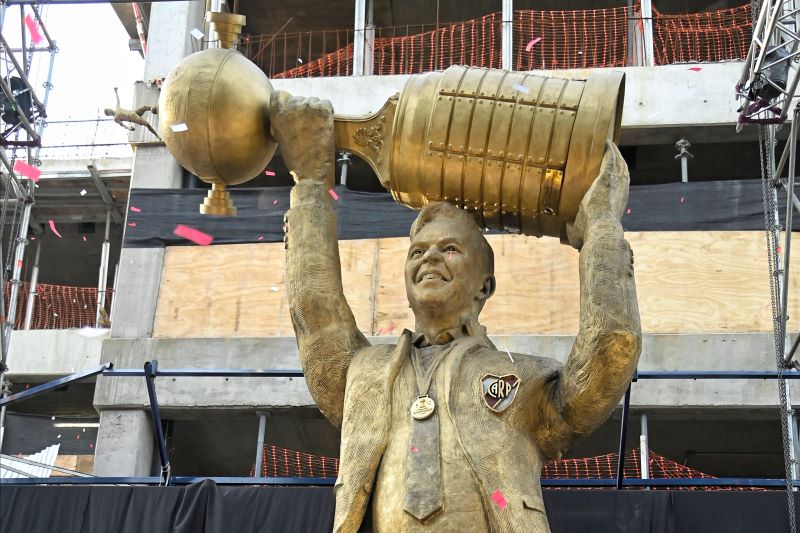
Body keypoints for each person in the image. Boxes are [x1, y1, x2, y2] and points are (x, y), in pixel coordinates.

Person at [272, 90, 641, 533]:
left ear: (485, 284)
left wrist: (600, 228)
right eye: (418, 252)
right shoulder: (362, 375)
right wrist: (311, 186)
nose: (429, 259)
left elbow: (611, 349)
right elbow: (316, 314)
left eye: (449, 249)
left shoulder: (525, 381)